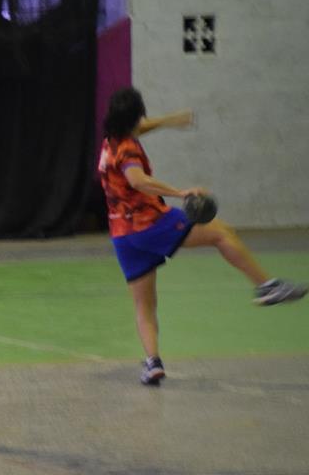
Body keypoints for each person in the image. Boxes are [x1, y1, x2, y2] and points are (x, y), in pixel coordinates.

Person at [99, 87, 306, 386]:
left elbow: (139, 127)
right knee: (221, 233)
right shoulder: (129, 149)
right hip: (149, 224)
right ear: (136, 117)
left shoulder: (110, 141)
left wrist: (168, 121)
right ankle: (266, 286)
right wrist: (181, 192)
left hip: (122, 236)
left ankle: (153, 363)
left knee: (144, 304)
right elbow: (137, 180)